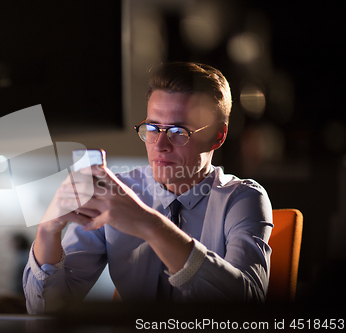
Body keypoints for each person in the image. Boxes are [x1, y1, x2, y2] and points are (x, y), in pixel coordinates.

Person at [23, 62, 273, 314]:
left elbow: (246, 307)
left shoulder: (242, 198)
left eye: (179, 131)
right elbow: (47, 310)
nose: (160, 144)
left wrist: (149, 224)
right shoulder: (116, 192)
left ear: (218, 136)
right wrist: (47, 231)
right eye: (152, 128)